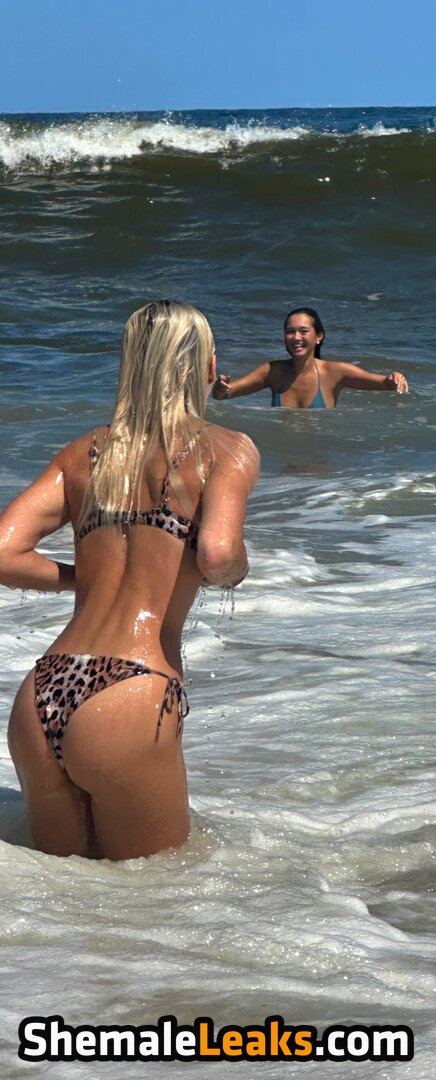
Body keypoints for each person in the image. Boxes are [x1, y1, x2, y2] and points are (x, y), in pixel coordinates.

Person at [0, 301, 259, 861]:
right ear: (206, 366)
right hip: (132, 690)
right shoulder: (225, 449)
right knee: (156, 895)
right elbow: (217, 555)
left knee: (64, 891)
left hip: (43, 691)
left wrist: (85, 583)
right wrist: (238, 570)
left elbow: (3, 553)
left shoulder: (82, 453)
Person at [212, 307, 409, 408]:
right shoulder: (272, 372)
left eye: (303, 331)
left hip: (321, 469)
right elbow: (225, 394)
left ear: (318, 336)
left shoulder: (335, 373)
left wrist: (395, 378)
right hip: (284, 467)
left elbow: (384, 383)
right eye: (290, 332)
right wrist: (220, 388)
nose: (296, 337)